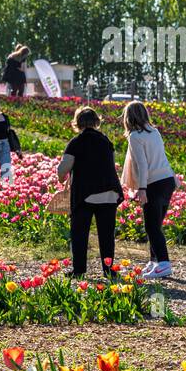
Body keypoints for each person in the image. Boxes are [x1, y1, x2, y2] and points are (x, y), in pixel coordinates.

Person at [57, 107, 123, 278]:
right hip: (109, 193)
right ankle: (109, 271)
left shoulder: (76, 142)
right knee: (107, 235)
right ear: (96, 122)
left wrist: (62, 178)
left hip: (85, 195)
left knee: (80, 233)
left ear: (77, 123)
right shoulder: (106, 141)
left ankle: (79, 270)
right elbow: (111, 164)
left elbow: (63, 168)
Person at [121, 101, 178, 279]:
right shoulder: (155, 131)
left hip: (153, 183)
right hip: (167, 180)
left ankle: (163, 263)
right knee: (156, 224)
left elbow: (142, 164)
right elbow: (161, 156)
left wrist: (142, 188)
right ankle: (154, 261)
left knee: (151, 227)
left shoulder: (135, 136)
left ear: (128, 118)